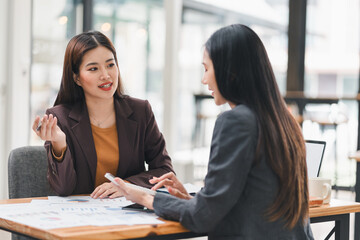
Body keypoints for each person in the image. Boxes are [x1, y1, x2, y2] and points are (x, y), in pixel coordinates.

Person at [110, 24, 314, 239]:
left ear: (231, 71)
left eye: (207, 69)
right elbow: (248, 203)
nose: (203, 79)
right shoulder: (284, 121)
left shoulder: (236, 121)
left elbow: (203, 217)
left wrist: (146, 197)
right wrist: (193, 202)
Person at [32, 31, 174, 198]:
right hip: (80, 218)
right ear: (77, 78)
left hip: (129, 216)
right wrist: (59, 144)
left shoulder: (140, 111)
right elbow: (63, 189)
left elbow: (165, 171)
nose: (106, 75)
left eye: (110, 65)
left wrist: (126, 186)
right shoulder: (60, 118)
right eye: (93, 68)